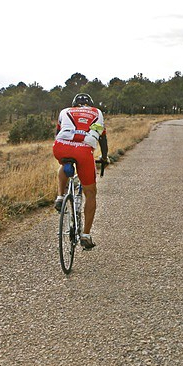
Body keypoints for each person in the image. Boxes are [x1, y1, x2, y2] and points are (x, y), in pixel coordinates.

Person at [53, 93, 108, 249]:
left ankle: (60, 196)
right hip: (83, 151)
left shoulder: (65, 111)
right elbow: (102, 139)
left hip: (61, 146)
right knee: (90, 193)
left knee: (64, 165)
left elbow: (58, 133)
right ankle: (85, 235)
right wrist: (104, 157)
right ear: (90, 104)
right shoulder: (97, 112)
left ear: (73, 104)